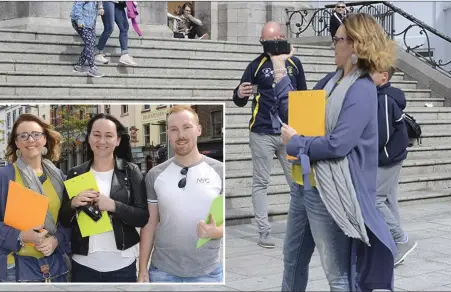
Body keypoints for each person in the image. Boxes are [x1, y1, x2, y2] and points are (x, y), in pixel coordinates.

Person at [279, 13, 398, 291]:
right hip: (303, 185)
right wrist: (281, 69)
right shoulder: (330, 81)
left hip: (330, 192)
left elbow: (339, 143)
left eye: (338, 39)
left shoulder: (362, 89)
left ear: (356, 45)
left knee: (338, 274)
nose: (334, 44)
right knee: (292, 261)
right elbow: (295, 112)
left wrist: (298, 143)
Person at [232, 21, 307, 249]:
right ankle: (264, 231)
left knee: (297, 183)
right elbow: (239, 99)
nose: (266, 46)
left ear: (281, 37)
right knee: (261, 183)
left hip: (288, 132)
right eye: (263, 42)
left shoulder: (294, 64)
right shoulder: (255, 65)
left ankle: (301, 227)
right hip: (261, 131)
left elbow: (303, 96)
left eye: (270, 41)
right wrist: (238, 93)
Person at [58, 113, 149, 282]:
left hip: (122, 264)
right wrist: (73, 204)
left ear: (118, 140)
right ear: (89, 137)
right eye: (97, 135)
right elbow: (64, 220)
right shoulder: (75, 173)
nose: (102, 141)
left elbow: (143, 217)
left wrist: (114, 206)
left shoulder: (131, 171)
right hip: (83, 264)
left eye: (109, 136)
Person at [138, 105, 224, 283]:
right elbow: (150, 223)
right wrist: (142, 269)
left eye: (187, 127)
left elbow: (228, 220)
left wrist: (215, 232)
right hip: (162, 272)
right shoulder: (155, 174)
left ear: (199, 130)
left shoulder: (220, 171)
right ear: (168, 134)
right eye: (174, 129)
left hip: (207, 272)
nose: (181, 135)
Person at [0, 114, 72, 283]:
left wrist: (56, 240)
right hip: (15, 267)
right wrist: (21, 236)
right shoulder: (4, 177)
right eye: (23, 136)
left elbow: (68, 220)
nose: (30, 140)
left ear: (45, 139)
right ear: (16, 143)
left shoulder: (59, 176)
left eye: (36, 134)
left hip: (55, 267)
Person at [371, 67, 418, 266]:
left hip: (388, 158)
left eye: (371, 72)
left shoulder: (384, 98)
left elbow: (384, 135)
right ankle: (394, 244)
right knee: (389, 200)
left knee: (375, 200)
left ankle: (401, 239)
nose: (366, 75)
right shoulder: (383, 95)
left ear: (384, 76)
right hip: (393, 156)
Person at [95, 1, 138, 66]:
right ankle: (97, 53)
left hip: (119, 3)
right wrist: (100, 6)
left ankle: (124, 55)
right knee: (109, 28)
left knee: (124, 27)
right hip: (108, 2)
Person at [70, 1, 104, 77]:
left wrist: (100, 7)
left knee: (92, 42)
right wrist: (79, 20)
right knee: (89, 42)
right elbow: (78, 6)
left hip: (90, 22)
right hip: (79, 21)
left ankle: (78, 66)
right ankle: (92, 68)